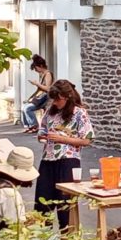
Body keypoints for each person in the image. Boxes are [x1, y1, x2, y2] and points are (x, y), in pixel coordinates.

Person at [35, 80, 94, 229]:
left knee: (65, 204)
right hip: (48, 159)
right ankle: (43, 237)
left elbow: (87, 140)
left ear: (67, 97)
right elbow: (42, 131)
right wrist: (43, 137)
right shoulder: (50, 111)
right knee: (42, 203)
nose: (55, 103)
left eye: (57, 99)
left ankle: (67, 236)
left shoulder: (79, 113)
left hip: (68, 160)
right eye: (53, 100)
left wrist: (62, 139)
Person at [21, 54, 54, 133]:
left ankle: (34, 125)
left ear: (41, 66)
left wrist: (37, 84)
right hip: (40, 98)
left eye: (36, 68)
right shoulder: (43, 75)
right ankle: (28, 126)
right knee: (24, 107)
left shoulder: (48, 74)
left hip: (44, 99)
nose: (36, 70)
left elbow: (48, 88)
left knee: (27, 108)